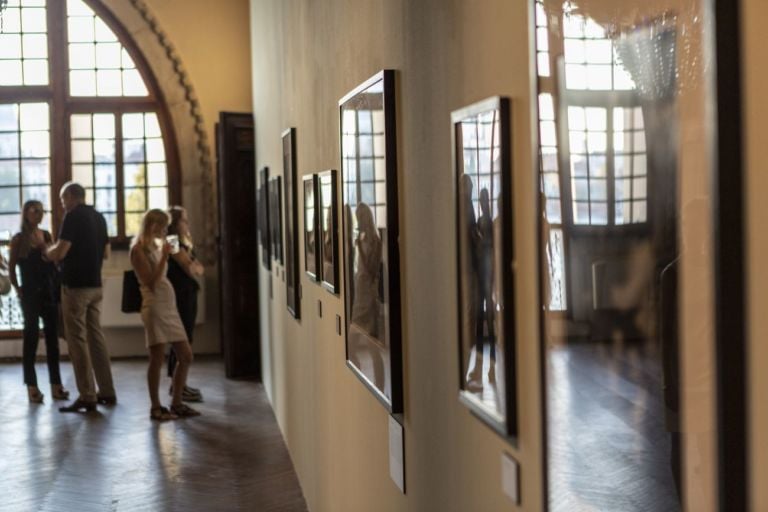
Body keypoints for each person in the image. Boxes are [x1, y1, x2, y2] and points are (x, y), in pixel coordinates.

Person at [47, 182, 116, 413]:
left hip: (75, 287)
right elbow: (106, 253)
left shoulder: (73, 216)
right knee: (96, 338)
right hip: (96, 285)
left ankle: (87, 395)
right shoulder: (99, 217)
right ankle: (107, 390)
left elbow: (60, 252)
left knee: (77, 341)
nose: (62, 204)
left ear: (71, 197)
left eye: (62, 199)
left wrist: (45, 250)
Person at [131, 208, 200, 421]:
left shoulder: (156, 245)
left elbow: (185, 263)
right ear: (152, 225)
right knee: (157, 358)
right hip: (154, 308)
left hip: (168, 307)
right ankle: (156, 406)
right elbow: (151, 281)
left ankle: (177, 402)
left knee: (185, 355)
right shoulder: (138, 249)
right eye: (161, 226)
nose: (164, 231)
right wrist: (164, 259)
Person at [8, 200, 69, 404]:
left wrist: (45, 246)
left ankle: (56, 385)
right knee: (31, 339)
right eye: (35, 211)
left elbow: (54, 260)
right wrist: (18, 289)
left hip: (49, 292)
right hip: (30, 295)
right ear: (26, 213)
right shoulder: (18, 239)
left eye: (42, 211)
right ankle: (32, 386)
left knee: (53, 340)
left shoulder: (47, 235)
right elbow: (12, 268)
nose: (39, 215)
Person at [165, 206, 204, 402]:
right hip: (179, 294)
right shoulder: (171, 241)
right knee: (181, 339)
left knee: (187, 338)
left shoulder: (184, 241)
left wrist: (192, 264)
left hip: (187, 292)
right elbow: (188, 266)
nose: (187, 224)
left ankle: (181, 383)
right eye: (184, 220)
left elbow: (199, 267)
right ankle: (176, 385)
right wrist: (191, 264)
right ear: (174, 223)